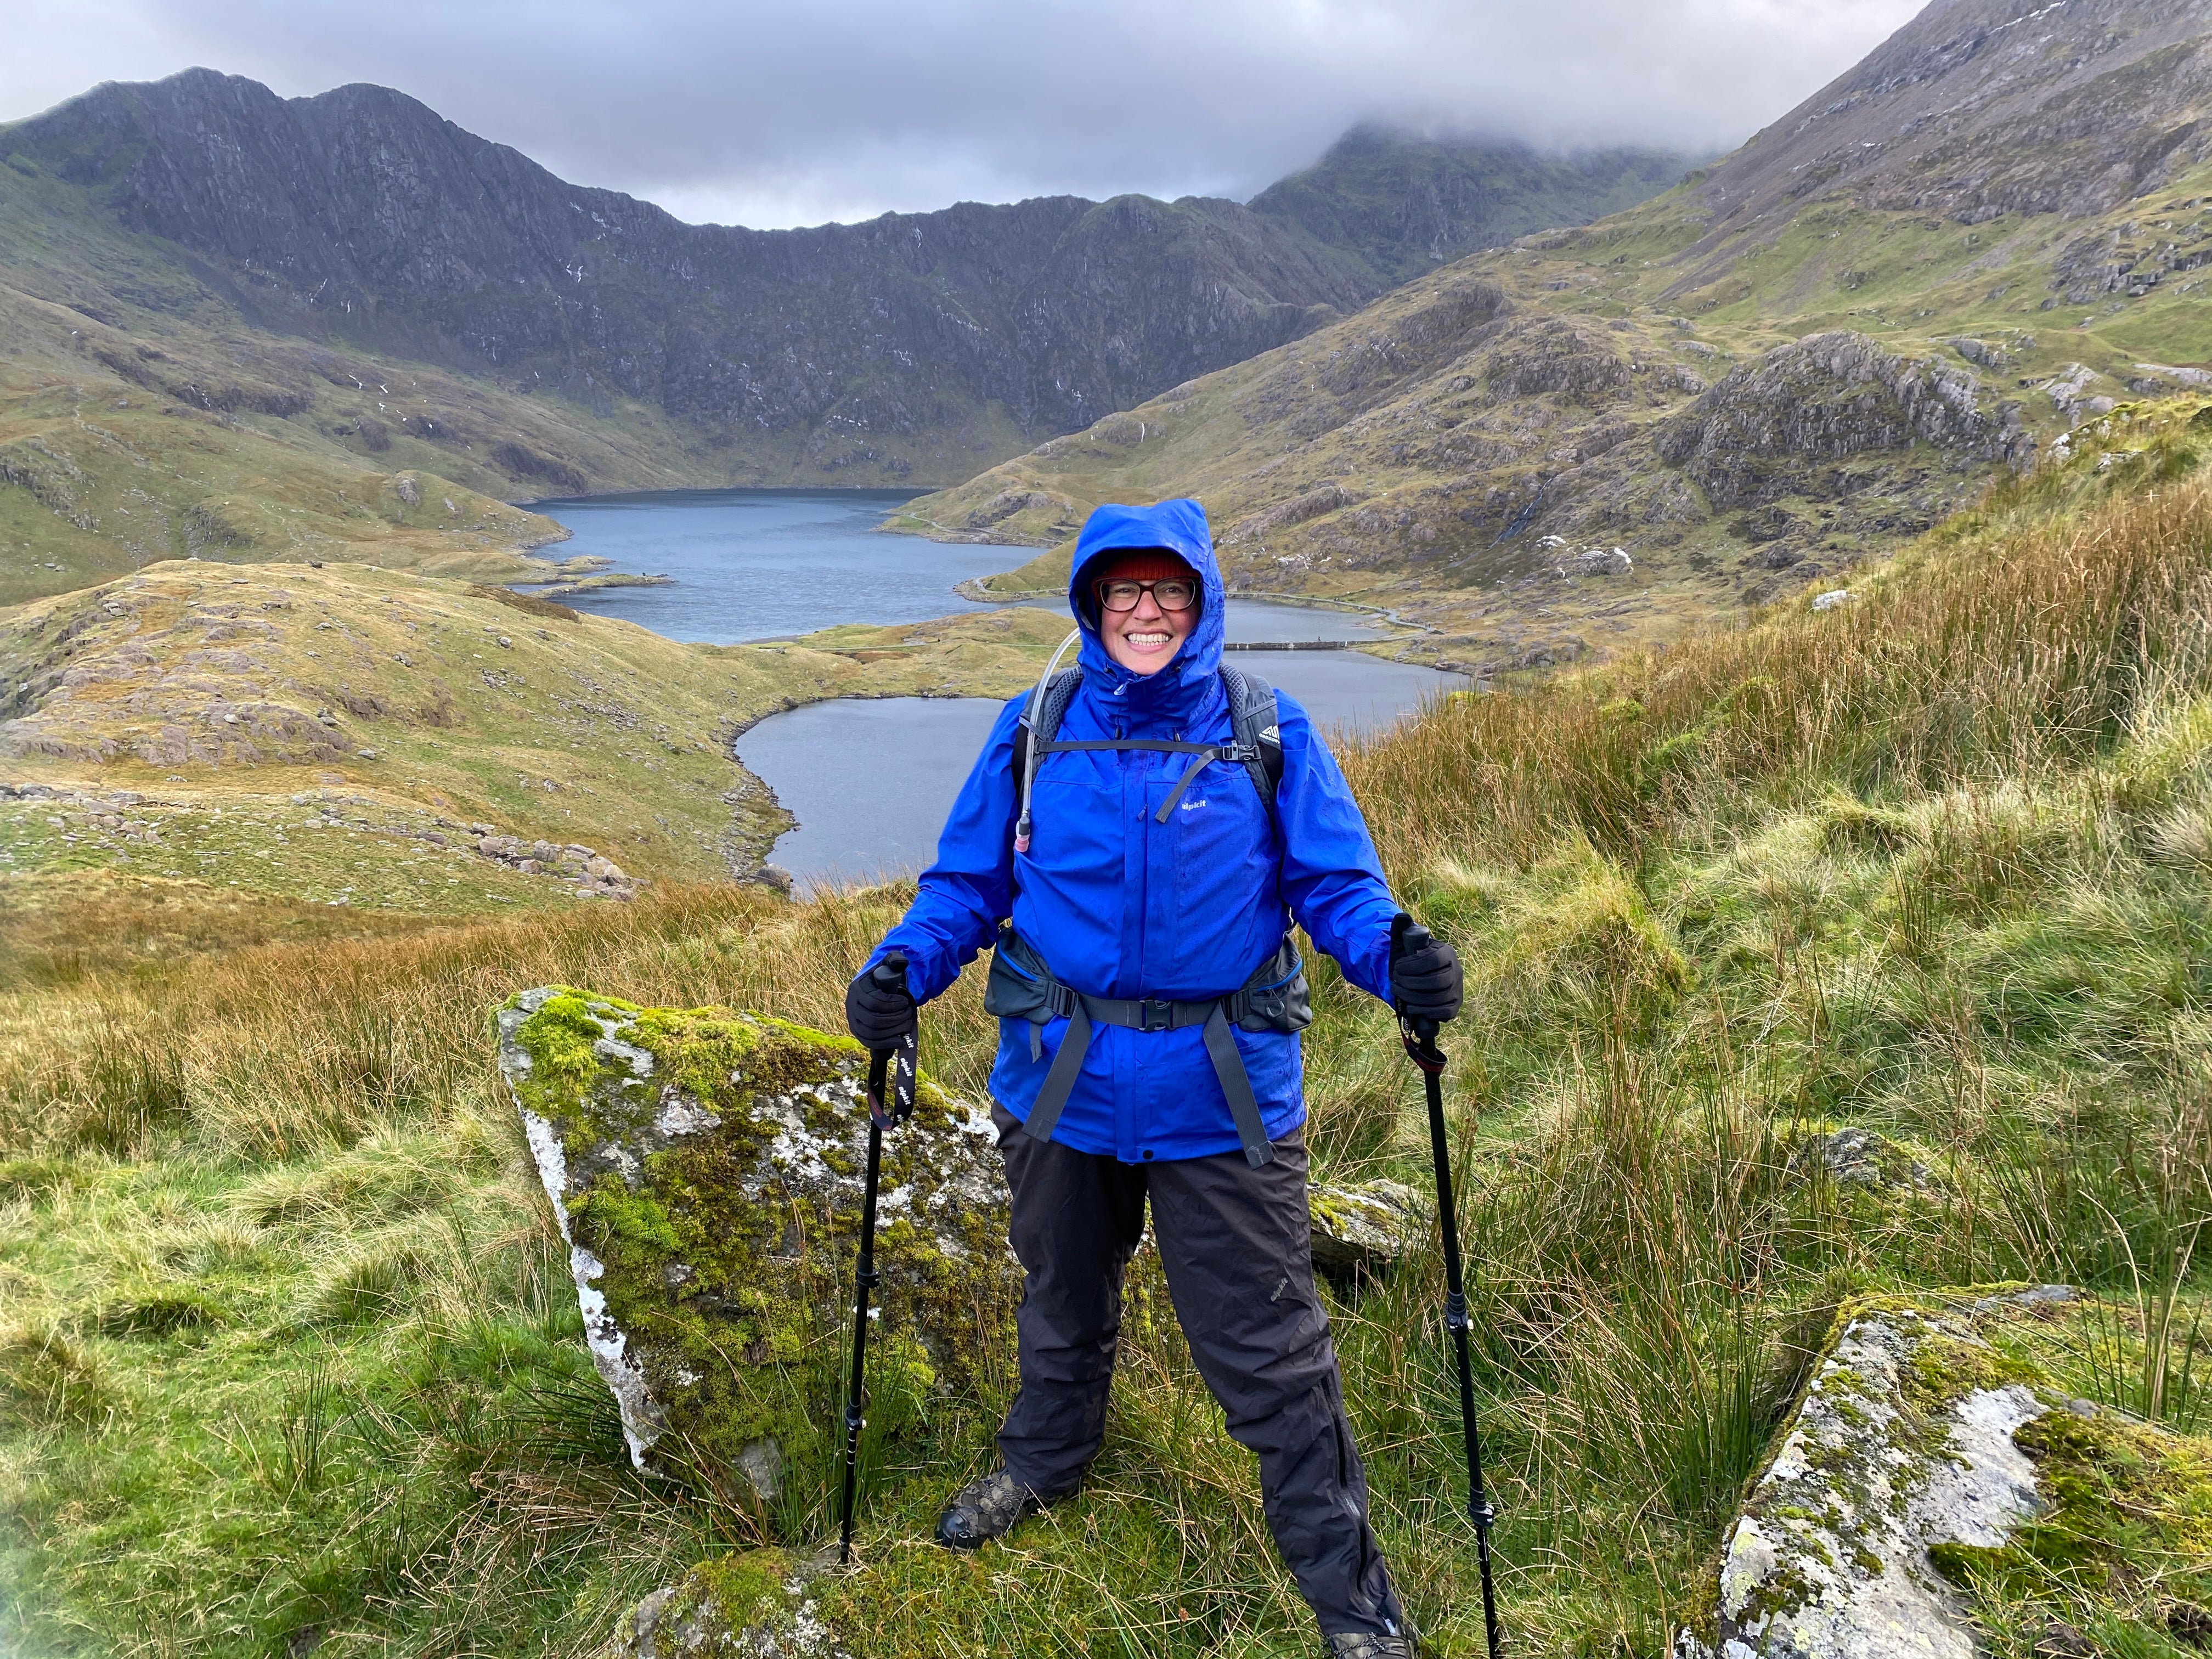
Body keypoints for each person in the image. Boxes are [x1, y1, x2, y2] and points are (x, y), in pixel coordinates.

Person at [845, 498, 1463, 1659]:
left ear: (1203, 599)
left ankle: (1353, 1605)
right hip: (1059, 1083)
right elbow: (967, 886)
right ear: (1089, 603)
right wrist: (901, 968)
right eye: (1121, 591)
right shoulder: (1035, 727)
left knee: (1271, 1353)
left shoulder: (1268, 733)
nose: (1144, 611)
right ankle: (1046, 1462)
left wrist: (1400, 963)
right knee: (1061, 1295)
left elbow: (1337, 892)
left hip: (1220, 1097)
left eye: (1167, 590)